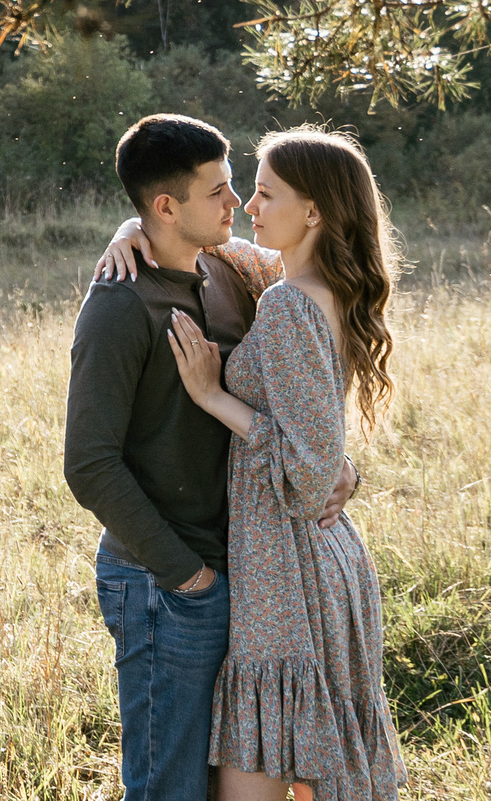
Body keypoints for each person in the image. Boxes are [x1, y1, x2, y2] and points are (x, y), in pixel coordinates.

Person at [66, 115, 359, 801]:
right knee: (169, 784)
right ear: (166, 206)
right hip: (166, 581)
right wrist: (187, 578)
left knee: (210, 783)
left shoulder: (229, 270)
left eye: (241, 188)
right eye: (220, 192)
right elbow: (88, 463)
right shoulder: (118, 305)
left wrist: (340, 464)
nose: (238, 205)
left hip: (249, 576)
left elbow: (304, 383)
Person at [163, 127, 406, 801]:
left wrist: (214, 396)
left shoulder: (289, 305)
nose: (249, 206)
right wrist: (132, 228)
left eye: (267, 193)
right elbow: (322, 445)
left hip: (288, 571)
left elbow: (305, 473)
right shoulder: (313, 287)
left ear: (315, 212)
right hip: (320, 564)